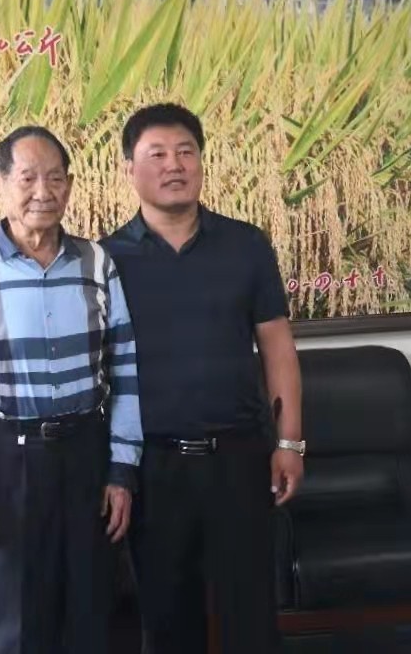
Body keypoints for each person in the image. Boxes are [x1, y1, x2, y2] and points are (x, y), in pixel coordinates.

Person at [0, 126, 143, 654]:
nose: (43, 191)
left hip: (87, 452)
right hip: (6, 459)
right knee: (16, 624)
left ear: (69, 185)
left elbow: (125, 370)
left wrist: (122, 469)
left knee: (93, 612)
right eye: (27, 178)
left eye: (55, 178)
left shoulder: (97, 262)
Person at [101, 103, 304, 654]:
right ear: (130, 169)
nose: (174, 165)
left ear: (201, 162)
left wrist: (289, 443)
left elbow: (277, 346)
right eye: (157, 154)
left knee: (251, 618)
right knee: (167, 623)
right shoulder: (105, 260)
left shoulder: (247, 245)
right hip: (153, 466)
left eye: (186, 152)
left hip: (239, 458)